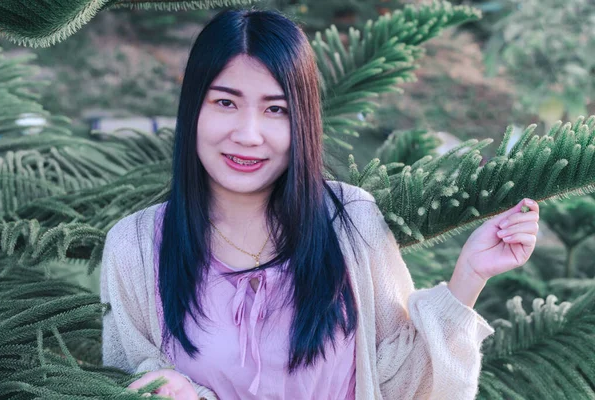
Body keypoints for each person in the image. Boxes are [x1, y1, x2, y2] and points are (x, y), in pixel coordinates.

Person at [100, 8, 540, 400]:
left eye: (276, 110)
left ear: (303, 120)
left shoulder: (351, 220)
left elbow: (405, 384)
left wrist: (471, 274)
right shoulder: (135, 247)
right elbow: (127, 379)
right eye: (225, 102)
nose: (248, 134)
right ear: (193, 108)